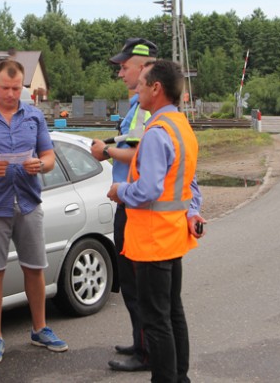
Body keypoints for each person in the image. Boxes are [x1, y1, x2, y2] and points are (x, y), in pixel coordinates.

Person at [107, 59, 206, 383]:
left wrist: (120, 190)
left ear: (156, 89)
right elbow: (187, 185)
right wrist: (192, 212)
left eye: (141, 83)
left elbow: (148, 189)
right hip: (171, 236)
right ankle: (180, 377)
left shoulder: (156, 133)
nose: (136, 89)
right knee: (173, 313)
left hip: (152, 241)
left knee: (156, 321)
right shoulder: (182, 128)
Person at [0, 59, 68, 364]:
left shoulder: (34, 116)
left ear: (22, 86)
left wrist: (40, 164)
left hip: (28, 203)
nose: (11, 94)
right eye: (6, 87)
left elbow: (48, 156)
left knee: (35, 268)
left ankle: (40, 329)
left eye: (16, 88)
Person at [90, 37, 156, 372]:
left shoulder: (144, 110)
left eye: (124, 67)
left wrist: (105, 151)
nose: (120, 74)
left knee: (135, 282)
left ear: (144, 67)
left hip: (134, 203)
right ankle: (140, 340)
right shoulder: (135, 106)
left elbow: (137, 152)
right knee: (132, 283)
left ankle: (146, 352)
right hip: (129, 201)